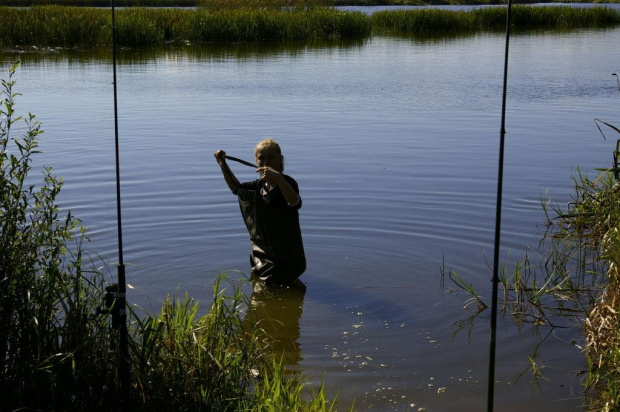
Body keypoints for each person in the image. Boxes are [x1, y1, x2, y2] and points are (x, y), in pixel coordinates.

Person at [214, 138, 306, 284]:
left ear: (280, 160)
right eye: (261, 158)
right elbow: (236, 189)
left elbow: (295, 202)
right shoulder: (257, 186)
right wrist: (222, 164)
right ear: (256, 161)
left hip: (287, 260)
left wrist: (278, 178)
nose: (266, 162)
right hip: (261, 258)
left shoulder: (288, 183)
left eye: (271, 157)